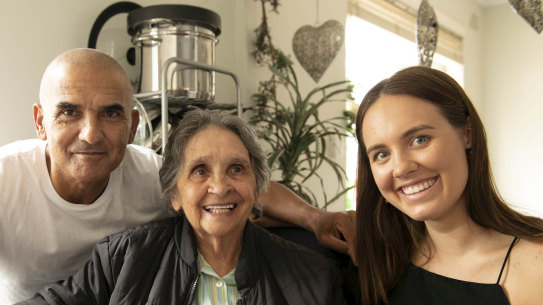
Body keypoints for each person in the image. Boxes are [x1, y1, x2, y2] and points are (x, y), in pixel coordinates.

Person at [0, 48, 355, 304]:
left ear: (132, 126)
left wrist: (316, 218)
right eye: (69, 112)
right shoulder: (6, 179)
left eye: (110, 113)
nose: (90, 133)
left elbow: (231, 193)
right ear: (40, 123)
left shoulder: (149, 176)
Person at [354, 65, 543, 305]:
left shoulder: (536, 264)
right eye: (381, 154)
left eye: (419, 140)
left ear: (467, 133)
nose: (401, 168)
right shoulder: (376, 262)